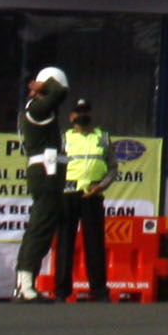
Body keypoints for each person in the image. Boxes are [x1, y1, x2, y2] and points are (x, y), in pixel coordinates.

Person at [12, 65, 75, 303]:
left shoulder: (39, 110)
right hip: (46, 175)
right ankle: (25, 286)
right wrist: (46, 85)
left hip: (48, 176)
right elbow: (59, 92)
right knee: (39, 229)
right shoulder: (37, 109)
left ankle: (25, 284)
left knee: (40, 228)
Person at [46, 102, 115, 302]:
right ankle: (61, 291)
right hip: (68, 194)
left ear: (91, 114)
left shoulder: (102, 137)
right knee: (65, 243)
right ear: (71, 117)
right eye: (78, 113)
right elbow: (55, 168)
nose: (82, 116)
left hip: (93, 194)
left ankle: (99, 291)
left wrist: (101, 186)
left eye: (85, 112)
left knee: (95, 244)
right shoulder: (64, 138)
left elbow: (113, 168)